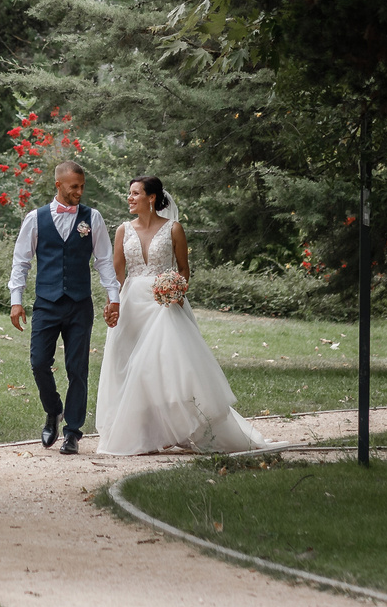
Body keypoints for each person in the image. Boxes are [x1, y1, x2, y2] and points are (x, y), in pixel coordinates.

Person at [94, 174, 267, 456]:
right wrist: (112, 303)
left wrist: (176, 290)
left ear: (151, 198)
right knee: (127, 365)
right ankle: (142, 434)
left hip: (164, 306)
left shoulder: (174, 228)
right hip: (132, 306)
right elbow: (117, 272)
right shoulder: (123, 230)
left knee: (158, 368)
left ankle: (172, 430)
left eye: (136, 193)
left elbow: (184, 269)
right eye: (130, 193)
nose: (130, 198)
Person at [6, 160, 121, 454]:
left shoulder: (92, 218)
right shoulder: (36, 218)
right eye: (74, 187)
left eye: (82, 186)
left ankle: (72, 431)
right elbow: (21, 261)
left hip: (80, 305)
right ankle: (53, 409)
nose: (79, 192)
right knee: (39, 363)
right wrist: (16, 301)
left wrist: (114, 295)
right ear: (58, 185)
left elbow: (104, 261)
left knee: (77, 369)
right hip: (46, 303)